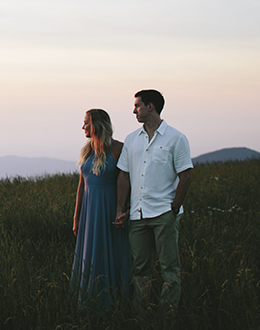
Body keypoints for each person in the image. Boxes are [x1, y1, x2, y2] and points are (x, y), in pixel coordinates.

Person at [114, 89, 192, 309]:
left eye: (137, 105)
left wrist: (174, 209)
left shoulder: (176, 138)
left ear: (151, 107)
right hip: (138, 216)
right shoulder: (131, 139)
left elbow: (185, 176)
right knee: (139, 269)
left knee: (170, 269)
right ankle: (142, 315)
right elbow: (124, 175)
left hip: (163, 214)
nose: (134, 110)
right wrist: (121, 209)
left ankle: (167, 318)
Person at [71, 108, 131, 307]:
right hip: (89, 210)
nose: (83, 127)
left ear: (97, 124)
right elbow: (82, 186)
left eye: (86, 122)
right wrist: (76, 217)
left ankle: (116, 302)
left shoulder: (119, 148)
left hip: (110, 208)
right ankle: (90, 301)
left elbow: (128, 180)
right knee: (90, 255)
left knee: (111, 253)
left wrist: (124, 209)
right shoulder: (87, 150)